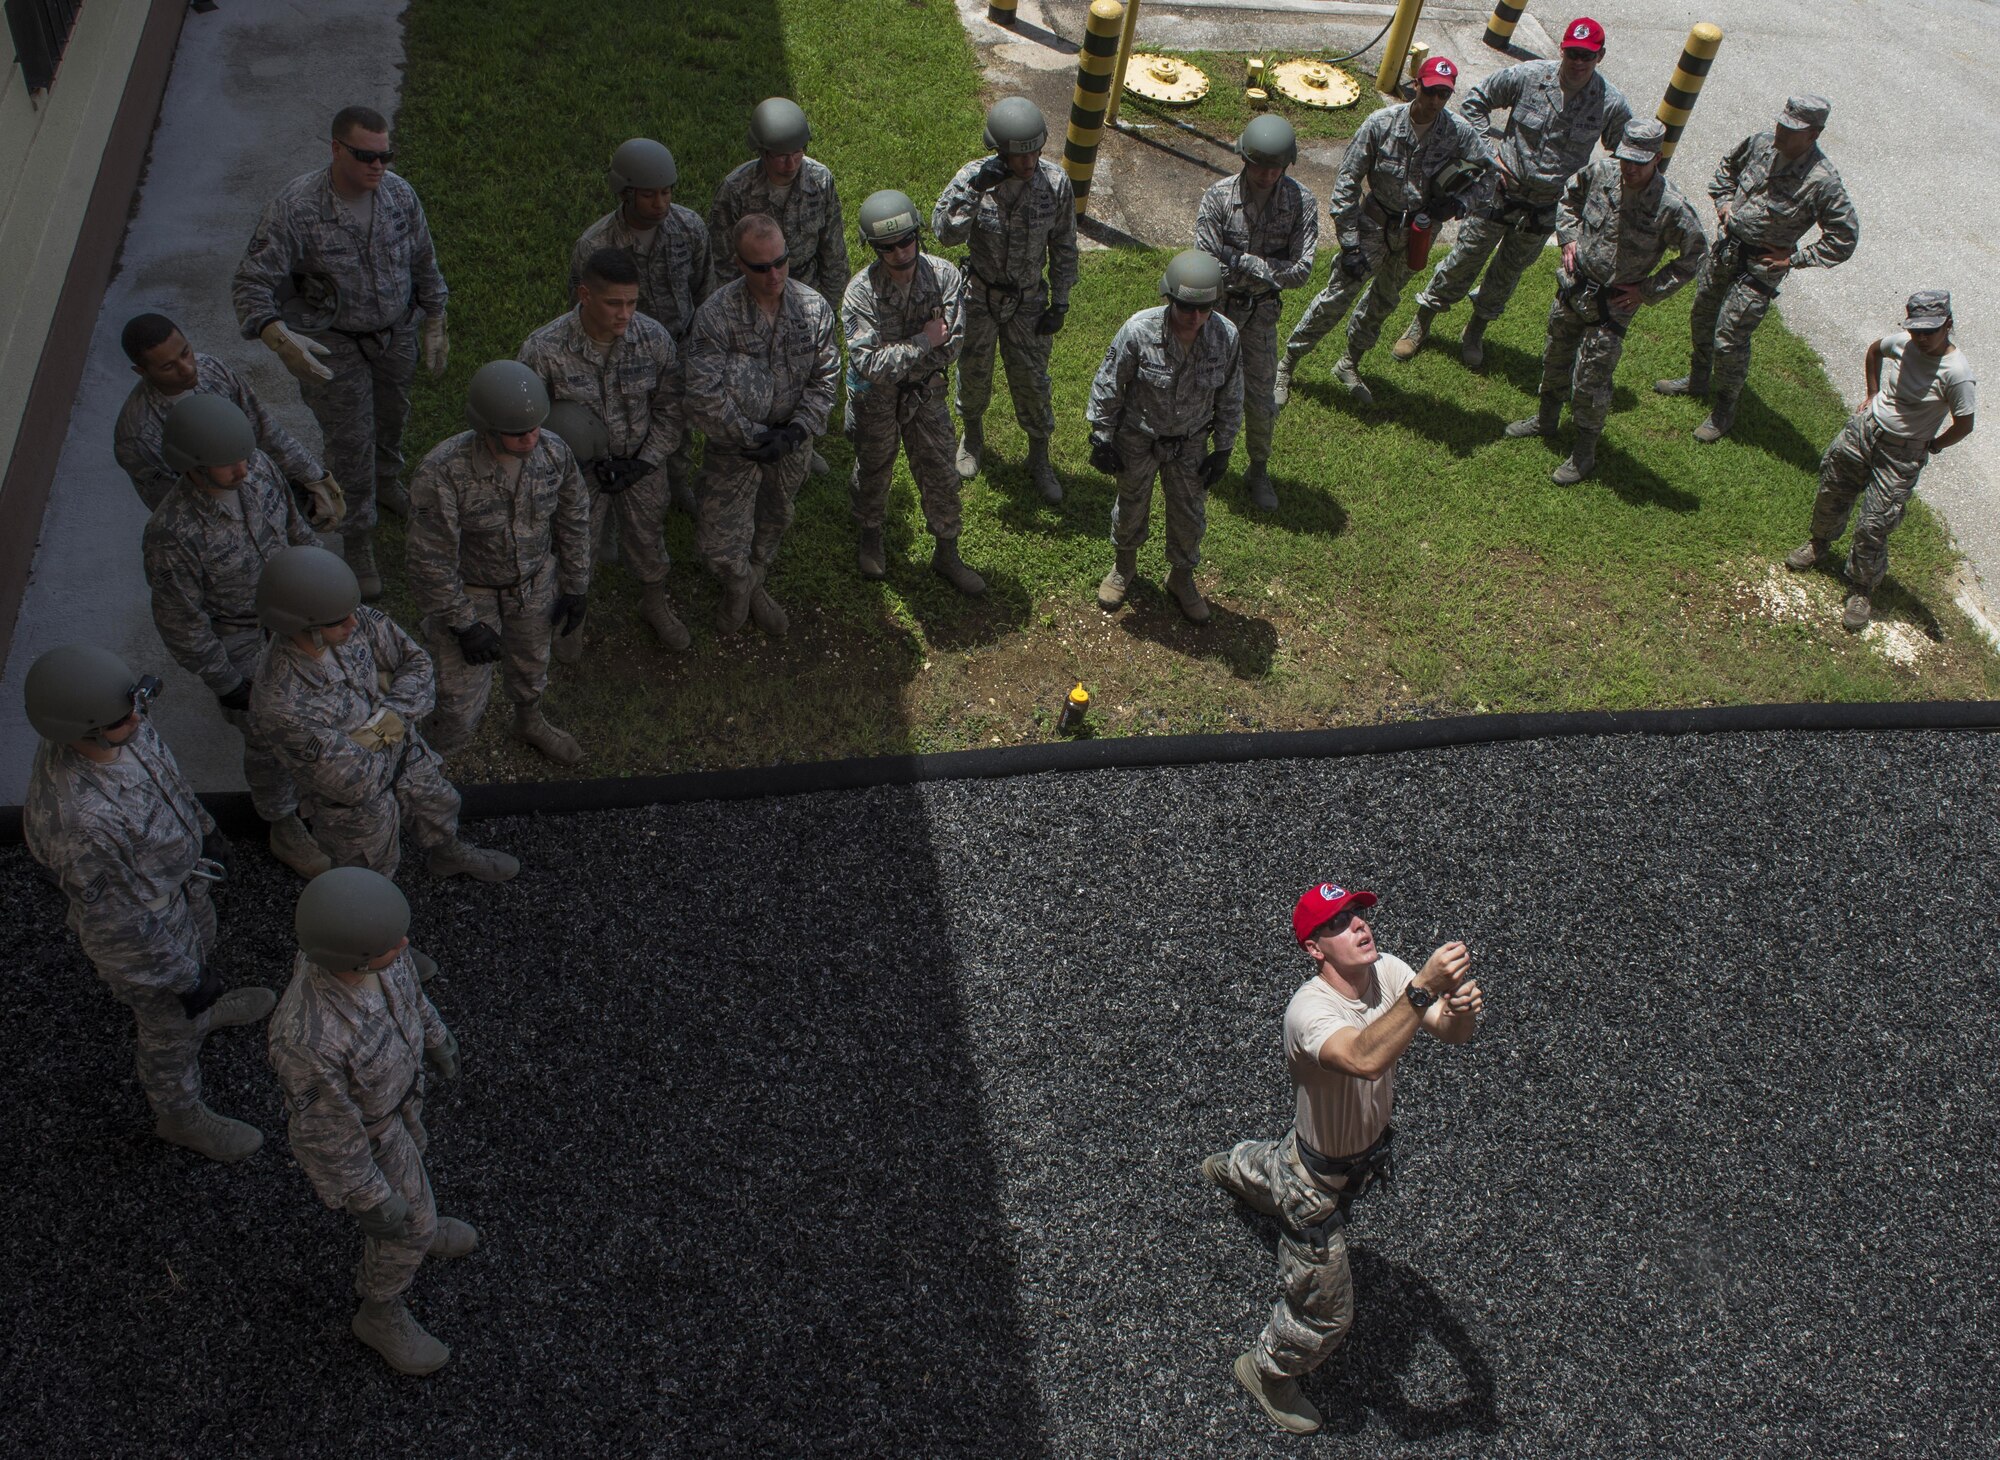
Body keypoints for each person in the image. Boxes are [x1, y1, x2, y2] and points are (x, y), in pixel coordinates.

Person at [1201, 882, 1482, 1435]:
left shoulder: (1390, 973)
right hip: (1317, 1185)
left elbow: (1448, 1031)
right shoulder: (1308, 1011)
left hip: (1317, 1154)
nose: (1357, 925)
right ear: (1314, 949)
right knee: (1326, 1314)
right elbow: (1363, 1057)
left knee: (1270, 1167)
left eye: (1357, 914)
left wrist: (1462, 1012)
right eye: (1338, 923)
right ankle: (1265, 1372)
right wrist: (1424, 989)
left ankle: (1227, 1167)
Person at [21, 645, 275, 1163]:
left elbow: (167, 777)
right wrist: (182, 981)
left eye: (137, 704)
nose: (139, 716)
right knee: (167, 1026)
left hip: (182, 886)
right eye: (124, 714)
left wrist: (204, 829)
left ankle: (204, 1011)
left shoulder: (116, 727)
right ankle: (180, 1114)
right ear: (81, 729)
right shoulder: (78, 820)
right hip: (147, 929)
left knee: (204, 955)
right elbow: (116, 926)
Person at [232, 104, 450, 600]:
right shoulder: (297, 207)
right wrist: (277, 336)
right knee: (350, 441)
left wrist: (435, 318)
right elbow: (251, 281)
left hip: (395, 333)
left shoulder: (398, 196)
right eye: (365, 156)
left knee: (392, 417)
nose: (379, 166)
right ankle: (357, 537)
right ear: (335, 149)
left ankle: (387, 480)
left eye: (385, 155)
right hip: (335, 342)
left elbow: (423, 259)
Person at [268, 867, 476, 1375]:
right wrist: (369, 1197)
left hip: (401, 1101)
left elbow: (410, 995)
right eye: (392, 942)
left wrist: (434, 1035)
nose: (404, 943)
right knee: (403, 1227)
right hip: (370, 1136)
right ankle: (380, 1309)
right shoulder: (309, 1039)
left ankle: (418, 1219)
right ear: (355, 956)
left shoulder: (376, 952)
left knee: (417, 1166)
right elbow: (326, 1133)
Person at [140, 395, 331, 879]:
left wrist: (324, 583)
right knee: (267, 738)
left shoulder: (260, 469)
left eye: (244, 457)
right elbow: (181, 621)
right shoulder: (172, 532)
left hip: (299, 617)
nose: (243, 471)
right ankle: (283, 824)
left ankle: (314, 792)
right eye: (227, 465)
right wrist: (226, 682)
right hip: (241, 640)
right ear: (192, 467)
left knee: (321, 709)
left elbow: (295, 529)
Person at [251, 545, 520, 882]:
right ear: (302, 624)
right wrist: (398, 718)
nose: (354, 621)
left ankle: (447, 854)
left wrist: (385, 721)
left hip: (407, 757)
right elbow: (355, 783)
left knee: (438, 809)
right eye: (339, 620)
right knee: (367, 876)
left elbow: (417, 662)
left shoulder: (348, 617)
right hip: (357, 810)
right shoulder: (282, 703)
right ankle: (376, 929)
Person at [1398, 18, 1631, 368]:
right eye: (1573, 53)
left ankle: (1475, 331)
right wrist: (1487, 155)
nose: (1578, 61)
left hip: (1545, 210)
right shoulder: (1530, 77)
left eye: (1587, 55)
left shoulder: (1609, 103)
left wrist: (1588, 192)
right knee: (1463, 260)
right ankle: (1422, 321)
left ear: (1600, 56)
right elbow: (1476, 101)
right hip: (1497, 194)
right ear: (1563, 50)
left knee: (1506, 275)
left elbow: (1622, 155)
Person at [405, 361, 592, 764]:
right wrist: (464, 624)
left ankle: (529, 720)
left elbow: (574, 518)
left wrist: (576, 585)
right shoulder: (443, 473)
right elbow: (431, 560)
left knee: (532, 668)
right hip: (471, 596)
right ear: (487, 428)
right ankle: (427, 760)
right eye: (517, 432)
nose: (530, 439)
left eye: (535, 428)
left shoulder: (554, 452)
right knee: (458, 703)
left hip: (534, 585)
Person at [1277, 56, 1490, 409]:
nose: (1436, 101)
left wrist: (1458, 205)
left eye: (1444, 95)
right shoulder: (1382, 123)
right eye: (1432, 91)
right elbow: (1346, 182)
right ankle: (1287, 365)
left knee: (1384, 302)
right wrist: (1348, 243)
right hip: (1372, 226)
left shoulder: (1458, 133)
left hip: (1417, 235)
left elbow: (1490, 175)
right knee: (1335, 298)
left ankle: (1349, 363)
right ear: (1416, 84)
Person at [1502, 118, 1705, 484]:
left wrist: (1646, 291)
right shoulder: (1601, 173)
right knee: (1554, 357)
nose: (1629, 169)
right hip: (1574, 288)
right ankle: (1546, 420)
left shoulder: (1671, 207)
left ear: (1657, 159)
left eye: (1639, 162)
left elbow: (1693, 258)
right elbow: (1568, 198)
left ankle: (1584, 451)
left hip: (1612, 308)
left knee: (1591, 383)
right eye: (1625, 158)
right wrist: (1567, 238)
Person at [1656, 95, 1859, 441]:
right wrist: (1723, 204)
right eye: (1782, 123)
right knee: (1702, 316)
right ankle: (1697, 379)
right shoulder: (1760, 144)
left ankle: (1724, 409)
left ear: (1814, 134)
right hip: (1726, 252)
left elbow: (1844, 237)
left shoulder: (1822, 181)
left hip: (1760, 270)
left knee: (1730, 338)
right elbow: (1727, 170)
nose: (1781, 131)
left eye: (1792, 129)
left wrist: (1794, 259)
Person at [519, 248, 688, 654]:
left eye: (632, 302)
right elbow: (526, 425)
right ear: (585, 295)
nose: (625, 314)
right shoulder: (544, 350)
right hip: (576, 474)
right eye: (614, 303)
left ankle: (654, 603)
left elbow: (672, 408)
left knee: (648, 538)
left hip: (639, 465)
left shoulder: (652, 340)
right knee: (574, 547)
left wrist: (645, 461)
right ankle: (571, 617)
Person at [683, 214, 841, 637]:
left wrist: (794, 433)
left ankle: (754, 577)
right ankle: (741, 584)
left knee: (775, 515)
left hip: (791, 440)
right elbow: (703, 393)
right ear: (739, 264)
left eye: (781, 261)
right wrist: (754, 437)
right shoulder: (717, 315)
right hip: (737, 443)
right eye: (761, 267)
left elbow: (826, 380)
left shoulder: (813, 308)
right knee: (715, 540)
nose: (774, 274)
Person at [1786, 291, 1975, 629]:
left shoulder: (1957, 373)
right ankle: (1819, 544)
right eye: (1916, 330)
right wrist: (1871, 394)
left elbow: (1965, 424)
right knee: (1832, 489)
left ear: (1947, 324)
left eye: (1929, 331)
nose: (1920, 338)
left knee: (1875, 522)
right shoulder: (1904, 342)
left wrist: (1933, 446)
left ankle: (1861, 589)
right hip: (1865, 431)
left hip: (1903, 453)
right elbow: (1875, 350)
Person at [931, 96, 1079, 503]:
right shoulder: (973, 179)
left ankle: (1039, 456)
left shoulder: (1055, 183)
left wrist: (1061, 302)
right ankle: (972, 439)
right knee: (974, 373)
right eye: (1019, 154)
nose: (1028, 162)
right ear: (999, 151)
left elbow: (1064, 245)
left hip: (1028, 300)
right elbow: (945, 233)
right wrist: (976, 190)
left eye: (1034, 152)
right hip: (979, 295)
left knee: (1033, 381)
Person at [1087, 249, 1243, 625]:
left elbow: (1231, 394)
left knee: (1190, 515)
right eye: (1186, 308)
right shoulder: (1139, 330)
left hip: (1190, 441)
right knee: (1131, 505)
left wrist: (1223, 448)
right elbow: (1110, 383)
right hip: (1138, 437)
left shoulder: (1226, 336)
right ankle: (1124, 567)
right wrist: (1101, 437)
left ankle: (1181, 578)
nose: (1195, 318)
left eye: (1204, 309)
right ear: (1169, 298)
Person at [844, 190, 980, 593]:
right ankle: (870, 535)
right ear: (875, 249)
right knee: (873, 468)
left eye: (906, 240)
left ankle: (947, 552)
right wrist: (922, 342)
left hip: (925, 393)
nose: (901, 252)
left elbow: (953, 345)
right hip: (876, 398)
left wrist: (902, 354)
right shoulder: (860, 293)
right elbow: (868, 364)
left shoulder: (944, 277)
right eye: (888, 247)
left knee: (940, 468)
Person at [707, 98, 849, 477]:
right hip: (751, 292)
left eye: (797, 153)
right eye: (780, 155)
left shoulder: (820, 181)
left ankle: (802, 444)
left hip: (805, 289)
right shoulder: (736, 189)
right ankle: (750, 438)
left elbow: (832, 248)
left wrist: (831, 306)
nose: (790, 163)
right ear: (762, 152)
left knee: (804, 372)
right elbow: (722, 258)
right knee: (753, 372)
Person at [569, 137, 710, 513]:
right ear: (625, 193)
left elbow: (702, 286)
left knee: (677, 422)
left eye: (666, 193)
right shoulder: (596, 246)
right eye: (650, 195)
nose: (661, 204)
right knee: (618, 428)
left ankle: (678, 485)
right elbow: (581, 308)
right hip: (621, 351)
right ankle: (613, 505)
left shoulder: (689, 228)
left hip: (678, 345)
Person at [1195, 113, 1320, 510]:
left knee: (1261, 398)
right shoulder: (1218, 197)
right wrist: (1267, 266)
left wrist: (1242, 260)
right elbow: (1205, 262)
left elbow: (1301, 271)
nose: (1266, 174)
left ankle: (1258, 468)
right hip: (1216, 311)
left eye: (1275, 167)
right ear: (1243, 159)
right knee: (1203, 385)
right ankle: (1198, 455)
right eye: (1258, 165)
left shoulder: (1301, 202)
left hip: (1261, 316)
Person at [113, 312, 342, 523]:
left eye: (185, 352)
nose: (188, 369)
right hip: (225, 529)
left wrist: (313, 476)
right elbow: (173, 507)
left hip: (267, 492)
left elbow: (263, 429)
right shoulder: (137, 436)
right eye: (168, 366)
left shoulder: (211, 369)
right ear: (142, 371)